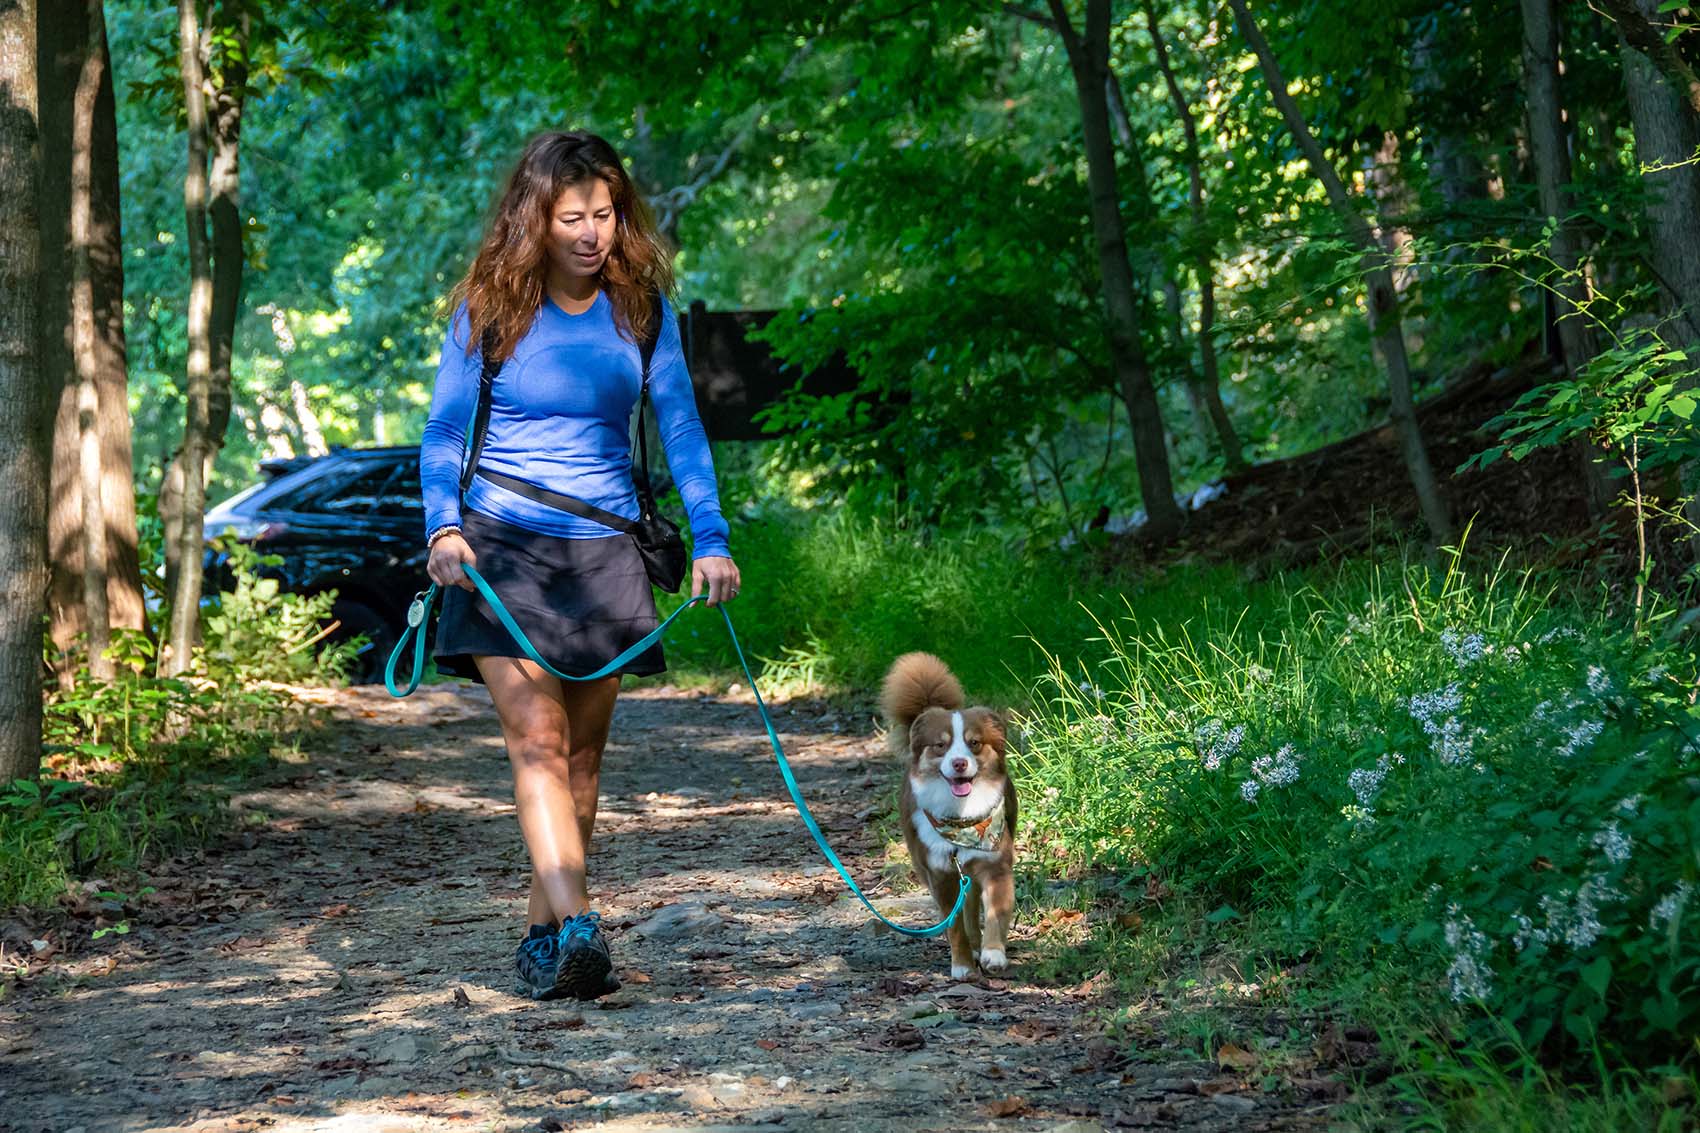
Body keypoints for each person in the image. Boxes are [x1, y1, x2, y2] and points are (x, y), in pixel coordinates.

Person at [418, 131, 741, 1002]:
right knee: (539, 740)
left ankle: (544, 939)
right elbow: (445, 431)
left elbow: (680, 430)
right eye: (573, 217)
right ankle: (583, 922)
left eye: (605, 214)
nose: (593, 232)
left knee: (585, 761)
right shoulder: (488, 309)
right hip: (503, 546)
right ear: (537, 220)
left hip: (606, 551)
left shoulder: (642, 313)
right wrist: (442, 526)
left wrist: (710, 538)